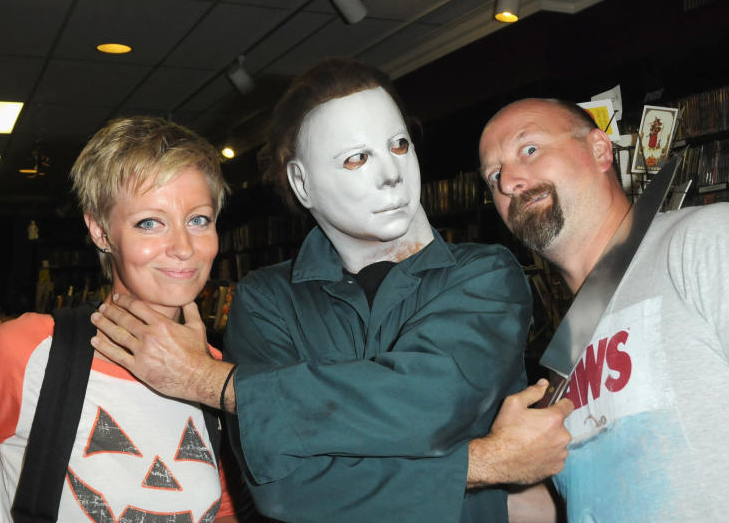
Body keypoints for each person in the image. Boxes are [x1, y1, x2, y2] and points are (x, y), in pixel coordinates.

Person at [90, 59, 573, 522]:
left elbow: (429, 404)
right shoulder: (267, 300)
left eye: (399, 145)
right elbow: (284, 487)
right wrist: (488, 463)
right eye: (357, 158)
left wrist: (213, 382)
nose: (391, 174)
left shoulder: (484, 275)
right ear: (303, 183)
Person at [0, 117, 238, 523]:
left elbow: (219, 507)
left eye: (199, 220)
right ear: (100, 232)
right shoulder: (29, 352)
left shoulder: (210, 368)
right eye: (149, 223)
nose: (183, 247)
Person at [478, 98, 729, 521]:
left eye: (529, 149)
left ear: (600, 150)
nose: (509, 180)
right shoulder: (564, 354)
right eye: (493, 175)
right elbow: (571, 503)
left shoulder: (706, 242)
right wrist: (484, 465)